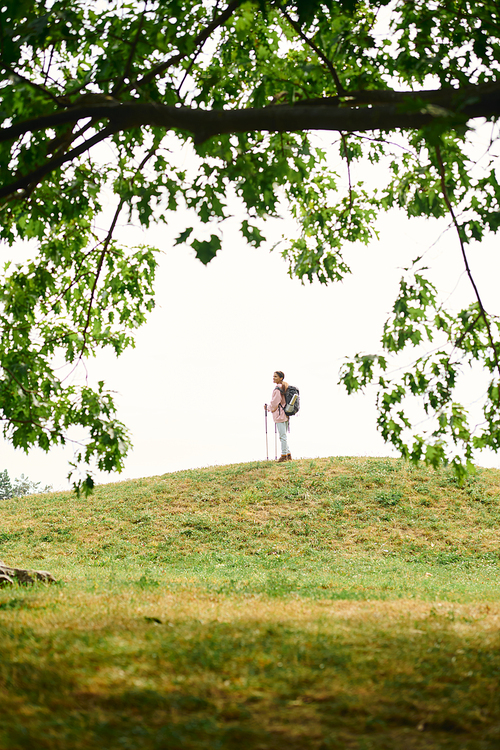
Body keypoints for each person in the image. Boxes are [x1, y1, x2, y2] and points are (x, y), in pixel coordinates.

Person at [266, 370, 292, 462]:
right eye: (273, 376)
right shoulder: (285, 387)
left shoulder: (277, 389)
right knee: (283, 435)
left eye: (276, 376)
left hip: (279, 415)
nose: (274, 378)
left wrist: (268, 408)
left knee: (282, 436)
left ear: (281, 378)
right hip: (286, 413)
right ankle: (288, 454)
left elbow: (274, 403)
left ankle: (284, 455)